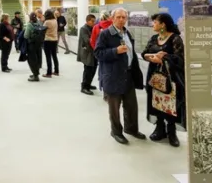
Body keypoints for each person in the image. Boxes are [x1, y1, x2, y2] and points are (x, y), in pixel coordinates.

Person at [94, 8, 145, 145]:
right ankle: (116, 132)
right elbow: (98, 53)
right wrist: (115, 51)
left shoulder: (127, 33)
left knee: (131, 105)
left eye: (124, 17)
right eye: (118, 17)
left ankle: (131, 129)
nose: (121, 19)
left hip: (128, 74)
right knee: (114, 108)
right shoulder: (105, 34)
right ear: (112, 18)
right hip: (113, 75)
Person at [141, 13, 186, 147]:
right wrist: (153, 56)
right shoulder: (154, 38)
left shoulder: (175, 39)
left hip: (170, 78)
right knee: (156, 103)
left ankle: (171, 132)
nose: (152, 24)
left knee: (170, 104)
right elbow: (144, 53)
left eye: (155, 22)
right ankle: (159, 129)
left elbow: (180, 59)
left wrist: (164, 58)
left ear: (163, 24)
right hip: (155, 77)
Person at [77, 14, 97, 95]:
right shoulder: (83, 29)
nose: (94, 23)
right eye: (92, 21)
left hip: (93, 52)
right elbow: (87, 40)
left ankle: (88, 84)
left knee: (93, 69)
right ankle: (84, 87)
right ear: (87, 21)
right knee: (88, 70)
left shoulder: (93, 28)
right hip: (87, 53)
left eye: (94, 21)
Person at [24, 12, 45, 82]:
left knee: (32, 60)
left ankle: (35, 76)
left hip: (32, 45)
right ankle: (36, 73)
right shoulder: (39, 23)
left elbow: (26, 36)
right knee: (38, 59)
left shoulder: (30, 25)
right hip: (39, 45)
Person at [42, 9, 59, 78]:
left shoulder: (47, 22)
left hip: (47, 40)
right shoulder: (55, 20)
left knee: (48, 57)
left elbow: (42, 30)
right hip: (55, 40)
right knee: (54, 56)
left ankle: (49, 73)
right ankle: (56, 71)